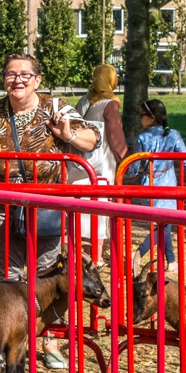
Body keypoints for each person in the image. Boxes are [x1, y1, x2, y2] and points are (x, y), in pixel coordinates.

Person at [0, 53, 100, 369]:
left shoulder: (56, 107)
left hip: (46, 208)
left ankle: (47, 340)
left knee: (47, 280)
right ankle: (4, 343)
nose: (17, 80)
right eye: (10, 74)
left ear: (37, 79)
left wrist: (68, 134)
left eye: (25, 74)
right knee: (7, 282)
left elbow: (93, 139)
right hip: (4, 210)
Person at [126, 99, 186, 274]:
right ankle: (139, 253)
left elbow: (134, 166)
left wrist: (130, 173)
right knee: (164, 224)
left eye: (141, 115)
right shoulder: (173, 135)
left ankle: (170, 261)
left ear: (152, 117)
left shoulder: (143, 137)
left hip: (150, 186)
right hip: (168, 185)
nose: (139, 118)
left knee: (162, 224)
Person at [74, 64, 129, 262]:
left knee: (83, 210)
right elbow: (116, 138)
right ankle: (96, 256)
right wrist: (127, 159)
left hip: (81, 163)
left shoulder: (83, 101)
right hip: (103, 162)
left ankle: (80, 253)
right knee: (101, 208)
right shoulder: (110, 104)